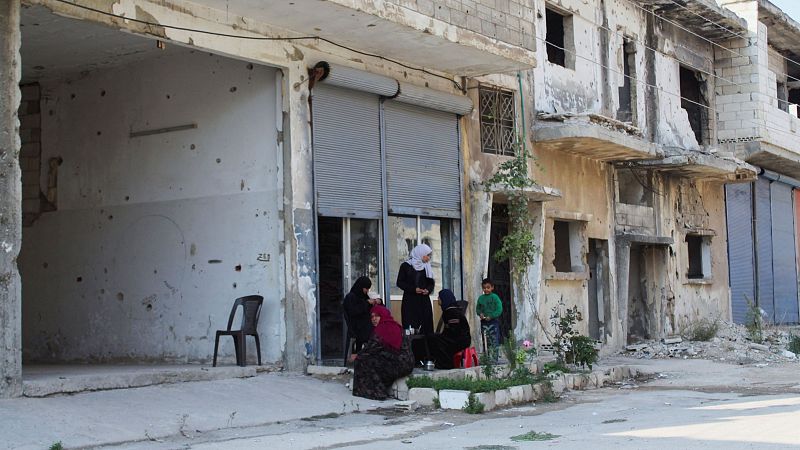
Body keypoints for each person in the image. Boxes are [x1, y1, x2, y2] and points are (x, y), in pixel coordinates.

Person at [352, 305, 414, 400]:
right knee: (371, 358)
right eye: (372, 317)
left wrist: (357, 355)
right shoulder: (396, 325)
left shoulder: (382, 328)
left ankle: (376, 393)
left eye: (377, 316)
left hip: (398, 364)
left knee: (362, 360)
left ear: (383, 315)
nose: (374, 319)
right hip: (407, 364)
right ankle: (381, 388)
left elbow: (371, 348)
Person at [396, 243, 436, 336]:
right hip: (410, 301)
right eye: (427, 255)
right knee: (411, 327)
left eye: (430, 256)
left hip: (423, 301)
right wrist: (414, 289)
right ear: (421, 254)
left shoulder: (427, 266)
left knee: (426, 327)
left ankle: (426, 349)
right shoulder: (406, 266)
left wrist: (428, 290)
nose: (428, 258)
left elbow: (431, 283)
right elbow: (400, 282)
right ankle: (411, 349)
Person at [428, 289, 471, 369]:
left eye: (439, 298)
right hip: (459, 338)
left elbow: (454, 330)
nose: (438, 299)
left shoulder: (451, 312)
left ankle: (446, 364)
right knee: (435, 338)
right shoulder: (449, 310)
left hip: (460, 339)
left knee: (435, 339)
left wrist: (442, 337)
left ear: (445, 299)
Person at [343, 276, 381, 352]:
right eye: (366, 288)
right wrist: (367, 303)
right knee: (374, 331)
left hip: (364, 325)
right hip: (356, 327)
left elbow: (369, 309)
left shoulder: (363, 296)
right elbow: (353, 311)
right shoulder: (350, 297)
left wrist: (377, 302)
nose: (367, 291)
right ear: (361, 286)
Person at [477, 278, 503, 357]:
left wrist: (491, 316)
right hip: (484, 322)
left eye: (488, 287)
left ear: (492, 287)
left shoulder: (495, 297)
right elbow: (478, 308)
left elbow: (499, 309)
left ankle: (494, 358)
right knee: (485, 340)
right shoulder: (481, 298)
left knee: (494, 339)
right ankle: (487, 357)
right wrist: (480, 314)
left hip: (493, 322)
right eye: (484, 288)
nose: (486, 289)